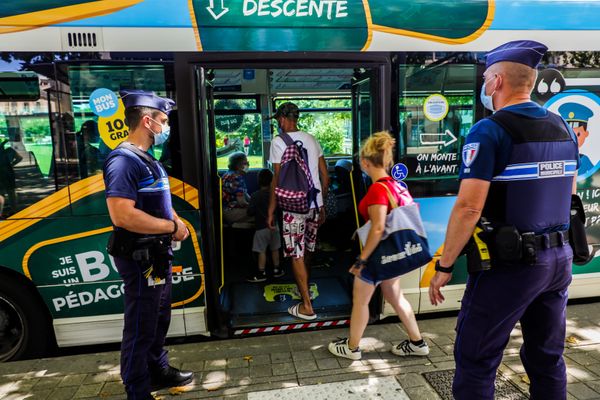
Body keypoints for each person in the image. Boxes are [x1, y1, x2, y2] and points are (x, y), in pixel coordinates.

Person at [428, 41, 579, 400]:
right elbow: (568, 193)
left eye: (485, 79)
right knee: (546, 357)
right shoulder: (564, 127)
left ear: (496, 82)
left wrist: (444, 265)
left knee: (476, 358)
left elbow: (468, 207)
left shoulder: (490, 130)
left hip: (511, 266)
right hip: (559, 260)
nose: (484, 85)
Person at [103, 89, 193, 400]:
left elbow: (157, 201)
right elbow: (122, 214)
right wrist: (171, 227)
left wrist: (176, 221)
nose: (166, 128)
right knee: (141, 325)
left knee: (158, 318)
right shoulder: (123, 161)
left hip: (156, 254)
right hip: (140, 257)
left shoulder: (147, 159)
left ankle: (158, 371)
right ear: (147, 121)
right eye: (163, 121)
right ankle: (137, 390)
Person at [328, 131, 429, 360]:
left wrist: (362, 259)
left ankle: (352, 347)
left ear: (365, 162)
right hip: (394, 253)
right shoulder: (396, 185)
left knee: (360, 299)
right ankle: (417, 343)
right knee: (395, 296)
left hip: (378, 255)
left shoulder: (376, 189)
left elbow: (378, 228)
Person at [267, 102, 329, 320]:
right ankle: (306, 290)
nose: (278, 124)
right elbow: (325, 176)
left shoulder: (278, 142)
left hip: (293, 208)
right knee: (308, 250)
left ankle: (306, 306)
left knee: (296, 254)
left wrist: (271, 210)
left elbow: (276, 179)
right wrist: (321, 204)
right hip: (314, 205)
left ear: (283, 119)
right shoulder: (312, 139)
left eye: (278, 120)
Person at [247, 168, 283, 282]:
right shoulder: (276, 194)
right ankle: (277, 270)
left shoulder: (255, 195)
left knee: (261, 250)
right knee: (275, 249)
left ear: (259, 181)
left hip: (261, 228)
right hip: (275, 226)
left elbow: (250, 212)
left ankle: (261, 273)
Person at [558, 102, 594, 175]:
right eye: (567, 133)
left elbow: (593, 175)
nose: (572, 137)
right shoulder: (557, 159)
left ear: (586, 133)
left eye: (578, 134)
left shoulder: (584, 160)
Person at [222, 152, 253, 225]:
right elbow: (241, 202)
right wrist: (255, 207)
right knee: (262, 214)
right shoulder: (236, 178)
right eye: (245, 163)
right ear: (238, 166)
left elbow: (244, 194)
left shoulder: (228, 174)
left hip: (225, 210)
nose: (248, 165)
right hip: (231, 212)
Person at [0, 139, 22, 215]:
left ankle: (1, 211)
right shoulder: (9, 150)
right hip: (9, 173)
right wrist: (12, 164)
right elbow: (19, 158)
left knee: (1, 193)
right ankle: (14, 209)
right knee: (11, 192)